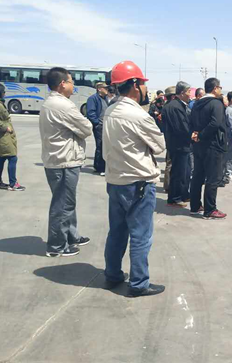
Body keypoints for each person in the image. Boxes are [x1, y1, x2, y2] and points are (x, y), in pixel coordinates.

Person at [103, 60, 166, 297]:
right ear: (134, 85)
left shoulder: (110, 110)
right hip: (138, 183)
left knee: (117, 232)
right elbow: (159, 145)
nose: (145, 88)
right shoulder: (138, 115)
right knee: (140, 236)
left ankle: (112, 275)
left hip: (115, 181)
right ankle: (139, 283)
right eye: (142, 83)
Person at [40, 67, 93, 257]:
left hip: (58, 159)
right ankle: (56, 246)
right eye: (71, 82)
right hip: (64, 161)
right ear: (62, 84)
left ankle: (71, 236)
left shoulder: (51, 102)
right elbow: (86, 128)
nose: (73, 85)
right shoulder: (63, 105)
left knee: (66, 202)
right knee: (62, 204)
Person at [189, 78, 227, 219]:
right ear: (215, 88)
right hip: (213, 145)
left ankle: (195, 206)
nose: (221, 90)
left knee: (198, 176)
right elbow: (215, 123)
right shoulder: (216, 103)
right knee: (213, 177)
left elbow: (191, 121)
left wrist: (196, 135)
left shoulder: (197, 103)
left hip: (198, 144)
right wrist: (202, 135)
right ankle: (210, 209)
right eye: (220, 87)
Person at [162, 81, 192, 208]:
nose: (190, 94)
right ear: (182, 93)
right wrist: (192, 135)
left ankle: (184, 194)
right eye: (189, 91)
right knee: (178, 172)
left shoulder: (180, 105)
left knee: (186, 171)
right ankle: (174, 198)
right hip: (178, 144)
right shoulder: (174, 107)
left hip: (184, 145)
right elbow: (181, 127)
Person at [0, 83, 25, 191]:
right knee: (12, 157)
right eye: (4, 92)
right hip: (3, 136)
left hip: (4, 136)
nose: (5, 94)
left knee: (1, 158)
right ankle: (13, 183)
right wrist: (5, 127)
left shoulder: (1, 104)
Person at [86, 82, 108, 175]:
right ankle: (100, 167)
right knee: (100, 146)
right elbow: (90, 112)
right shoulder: (93, 98)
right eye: (105, 88)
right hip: (99, 126)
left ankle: (98, 165)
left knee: (103, 146)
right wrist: (97, 123)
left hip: (105, 126)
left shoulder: (105, 98)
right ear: (99, 89)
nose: (107, 89)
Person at [162, 86, 176, 193]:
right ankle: (168, 185)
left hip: (168, 136)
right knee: (170, 162)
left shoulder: (166, 106)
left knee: (169, 160)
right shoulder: (170, 107)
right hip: (172, 137)